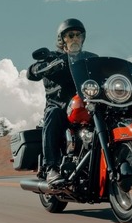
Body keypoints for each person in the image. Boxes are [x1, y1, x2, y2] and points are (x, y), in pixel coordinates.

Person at [27, 18, 96, 186]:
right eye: (70, 35)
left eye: (78, 35)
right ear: (62, 40)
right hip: (59, 106)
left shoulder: (91, 58)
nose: (74, 39)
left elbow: (106, 72)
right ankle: (51, 167)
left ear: (82, 38)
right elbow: (31, 71)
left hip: (87, 106)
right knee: (54, 114)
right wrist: (46, 67)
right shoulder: (53, 57)